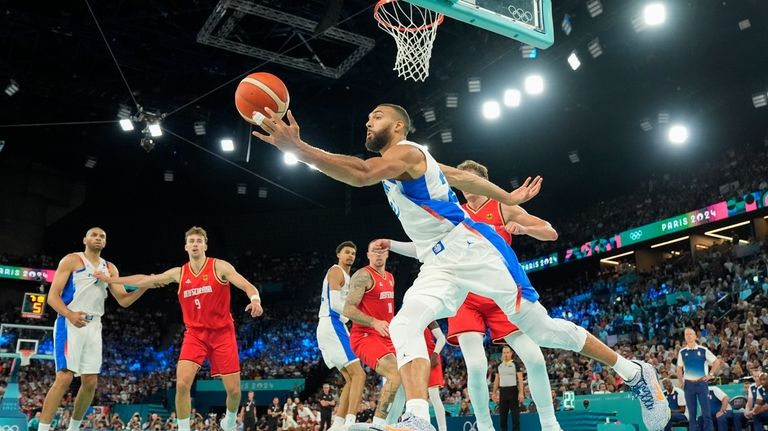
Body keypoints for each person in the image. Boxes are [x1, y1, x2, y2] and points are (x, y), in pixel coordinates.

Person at [252, 103, 670, 431]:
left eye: (375, 116)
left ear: (398, 127)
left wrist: (299, 149)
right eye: (367, 117)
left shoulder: (405, 153)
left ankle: (635, 373)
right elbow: (463, 179)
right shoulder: (419, 161)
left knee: (540, 329)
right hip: (437, 264)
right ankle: (417, 416)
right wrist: (509, 196)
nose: (367, 122)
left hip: (472, 249)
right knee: (404, 324)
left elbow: (360, 173)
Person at [94, 226, 264, 431]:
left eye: (199, 241)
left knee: (235, 391)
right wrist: (110, 280)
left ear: (205, 246)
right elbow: (145, 279)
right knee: (182, 384)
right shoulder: (178, 273)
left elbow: (248, 286)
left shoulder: (220, 267)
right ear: (186, 246)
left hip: (222, 334)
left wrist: (255, 301)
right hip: (195, 335)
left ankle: (228, 422)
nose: (195, 244)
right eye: (191, 241)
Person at [445, 159, 561, 431]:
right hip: (467, 297)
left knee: (534, 358)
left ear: (482, 182)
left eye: (467, 179)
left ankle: (550, 424)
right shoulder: (454, 213)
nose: (463, 184)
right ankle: (484, 427)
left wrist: (525, 229)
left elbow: (550, 232)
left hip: (501, 296)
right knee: (475, 366)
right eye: (458, 180)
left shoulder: (503, 206)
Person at [38, 227, 151, 431]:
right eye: (94, 235)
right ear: (85, 239)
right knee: (64, 377)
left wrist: (144, 286)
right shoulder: (72, 260)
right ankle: (42, 429)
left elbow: (124, 300)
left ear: (105, 243)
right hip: (70, 321)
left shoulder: (110, 268)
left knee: (90, 382)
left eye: (102, 236)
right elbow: (52, 297)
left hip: (94, 325)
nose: (98, 238)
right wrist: (70, 315)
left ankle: (74, 428)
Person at [344, 241, 402, 426]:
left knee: (407, 376)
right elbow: (348, 309)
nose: (378, 254)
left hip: (387, 336)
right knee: (394, 373)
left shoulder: (391, 277)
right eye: (374, 251)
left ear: (387, 254)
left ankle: (389, 425)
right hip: (365, 336)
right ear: (368, 255)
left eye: (381, 251)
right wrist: (373, 322)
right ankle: (377, 425)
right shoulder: (363, 275)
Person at [317, 241, 366, 431]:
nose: (351, 256)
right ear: (338, 254)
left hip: (335, 325)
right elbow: (336, 304)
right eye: (347, 252)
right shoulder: (336, 271)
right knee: (359, 375)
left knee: (352, 379)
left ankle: (337, 425)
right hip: (332, 323)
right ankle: (350, 423)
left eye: (353, 253)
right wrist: (359, 316)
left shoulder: (349, 276)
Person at [676, 328, 723, 431]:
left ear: (695, 336)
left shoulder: (703, 350)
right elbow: (679, 368)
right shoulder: (682, 352)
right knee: (692, 413)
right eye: (686, 334)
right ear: (684, 337)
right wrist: (681, 380)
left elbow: (716, 362)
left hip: (702, 383)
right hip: (688, 385)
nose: (688, 336)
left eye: (691, 334)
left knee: (706, 411)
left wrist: (710, 374)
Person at [493, 346, 524, 431]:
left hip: (513, 391)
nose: (505, 354)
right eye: (504, 353)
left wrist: (521, 393)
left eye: (507, 352)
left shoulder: (516, 364)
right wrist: (494, 393)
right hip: (503, 392)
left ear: (511, 353)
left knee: (515, 417)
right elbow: (496, 380)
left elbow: (520, 380)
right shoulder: (499, 366)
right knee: (503, 418)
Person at [424, 323, 446, 431]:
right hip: (417, 360)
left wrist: (435, 354)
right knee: (420, 398)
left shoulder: (429, 318)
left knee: (434, 396)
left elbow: (442, 338)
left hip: (432, 358)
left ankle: (443, 429)